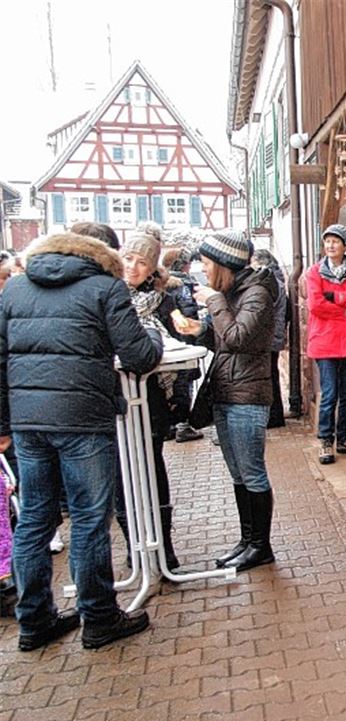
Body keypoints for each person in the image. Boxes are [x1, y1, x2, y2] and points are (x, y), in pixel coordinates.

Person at [2, 229, 162, 650]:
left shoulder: (15, 289)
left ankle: (34, 622)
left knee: (35, 519)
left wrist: (4, 424)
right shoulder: (105, 289)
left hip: (28, 423)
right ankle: (99, 617)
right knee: (91, 520)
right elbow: (140, 356)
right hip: (83, 420)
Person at [177, 229, 278, 573]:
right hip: (225, 389)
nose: (203, 270)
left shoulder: (258, 291)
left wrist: (213, 302)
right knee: (237, 474)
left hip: (248, 394)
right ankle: (247, 540)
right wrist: (200, 331)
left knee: (251, 472)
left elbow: (238, 338)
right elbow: (223, 340)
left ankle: (261, 547)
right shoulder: (232, 291)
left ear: (223, 264)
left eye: (206, 263)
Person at [121, 233, 188, 570]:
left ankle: (164, 546)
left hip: (151, 397)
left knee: (153, 466)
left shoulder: (162, 301)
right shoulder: (108, 297)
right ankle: (135, 549)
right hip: (116, 400)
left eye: (142, 261)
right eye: (129, 258)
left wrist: (189, 329)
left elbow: (180, 333)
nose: (133, 266)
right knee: (123, 476)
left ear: (151, 269)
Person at [306, 225, 346, 465]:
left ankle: (344, 437)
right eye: (327, 241)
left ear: (344, 246)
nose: (330, 245)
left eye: (335, 241)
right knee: (329, 394)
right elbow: (315, 305)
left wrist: (337, 299)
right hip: (325, 341)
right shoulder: (314, 272)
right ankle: (325, 439)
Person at [160, 244, 204, 443]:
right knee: (184, 382)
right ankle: (183, 425)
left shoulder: (159, 283)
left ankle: (169, 424)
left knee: (168, 383)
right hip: (182, 340)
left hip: (163, 341)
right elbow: (188, 314)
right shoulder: (182, 285)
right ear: (185, 265)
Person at [251, 248, 288, 429]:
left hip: (268, 337)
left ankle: (273, 416)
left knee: (269, 377)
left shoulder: (270, 282)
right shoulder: (276, 280)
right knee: (271, 375)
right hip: (274, 335)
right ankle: (275, 415)